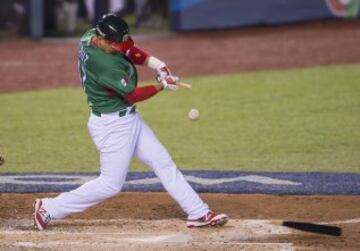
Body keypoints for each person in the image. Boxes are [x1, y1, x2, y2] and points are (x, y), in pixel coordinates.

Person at [32, 13, 228, 230]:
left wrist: (158, 65)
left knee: (162, 161)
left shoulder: (91, 36)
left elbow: (128, 50)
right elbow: (133, 94)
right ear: (104, 41)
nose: (120, 47)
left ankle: (198, 212)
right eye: (115, 44)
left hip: (128, 119)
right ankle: (50, 208)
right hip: (112, 126)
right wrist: (162, 85)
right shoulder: (104, 64)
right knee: (110, 184)